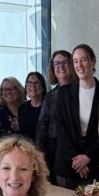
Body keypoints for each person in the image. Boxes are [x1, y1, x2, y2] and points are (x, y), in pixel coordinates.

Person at [53, 44, 99, 188]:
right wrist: (76, 160)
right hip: (67, 166)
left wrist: (88, 157)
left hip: (94, 166)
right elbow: (60, 129)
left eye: (83, 59)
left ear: (93, 61)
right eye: (76, 61)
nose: (79, 65)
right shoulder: (63, 93)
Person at [35, 50, 75, 182]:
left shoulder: (81, 91)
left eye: (64, 62)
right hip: (54, 149)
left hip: (76, 149)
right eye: (56, 63)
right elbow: (41, 131)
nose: (60, 66)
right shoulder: (50, 96)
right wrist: (41, 161)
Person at [18, 71, 46, 142]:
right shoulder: (22, 108)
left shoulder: (49, 107)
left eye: (36, 83)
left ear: (43, 87)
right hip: (27, 149)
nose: (32, 86)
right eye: (29, 83)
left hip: (46, 150)